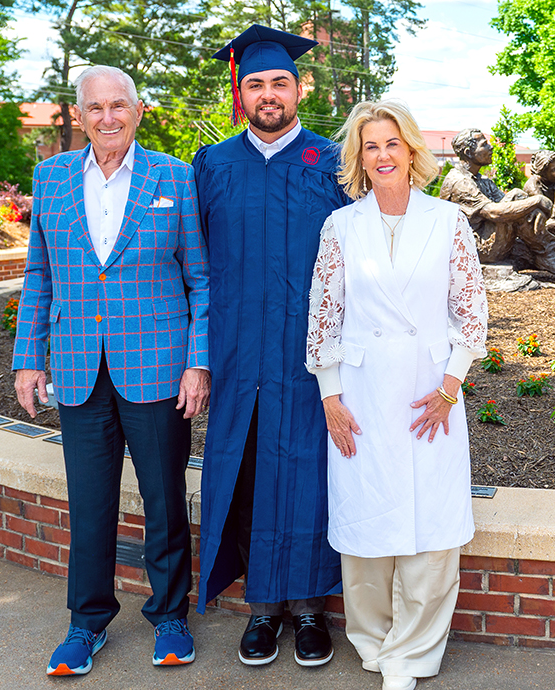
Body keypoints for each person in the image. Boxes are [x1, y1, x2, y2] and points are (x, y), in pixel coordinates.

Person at [12, 65, 209, 676]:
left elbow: (199, 281)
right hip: (76, 370)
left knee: (164, 499)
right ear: (78, 115)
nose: (107, 117)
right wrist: (27, 361)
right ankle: (85, 623)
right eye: (94, 108)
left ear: (138, 109)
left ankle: (170, 616)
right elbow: (39, 278)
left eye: (118, 105)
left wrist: (197, 363)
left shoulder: (174, 176)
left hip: (157, 367)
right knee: (89, 503)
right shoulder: (51, 178)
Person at [306, 99, 488, 690]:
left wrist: (449, 387)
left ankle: (412, 656)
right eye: (370, 147)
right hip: (358, 392)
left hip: (427, 391)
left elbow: (471, 312)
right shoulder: (342, 225)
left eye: (392, 144)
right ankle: (374, 641)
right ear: (359, 158)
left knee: (430, 525)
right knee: (364, 521)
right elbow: (323, 316)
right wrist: (331, 397)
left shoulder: (448, 221)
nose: (382, 156)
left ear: (412, 151)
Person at [193, 24, 353, 668]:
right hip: (235, 352)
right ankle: (263, 609)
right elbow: (191, 262)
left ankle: (310, 606)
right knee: (253, 471)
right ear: (239, 92)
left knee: (311, 474)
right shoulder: (213, 165)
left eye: (279, 83)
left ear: (298, 89)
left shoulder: (331, 163)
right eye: (254, 84)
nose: (267, 94)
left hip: (310, 354)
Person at [438, 127, 552, 264]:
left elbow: (506, 203)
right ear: (468, 152)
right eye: (484, 144)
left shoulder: (482, 180)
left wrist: (536, 209)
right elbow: (495, 212)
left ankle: (554, 252)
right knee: (518, 197)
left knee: (518, 195)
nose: (491, 147)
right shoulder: (460, 181)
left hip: (488, 239)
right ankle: (552, 252)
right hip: (473, 249)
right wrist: (538, 200)